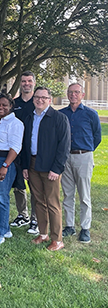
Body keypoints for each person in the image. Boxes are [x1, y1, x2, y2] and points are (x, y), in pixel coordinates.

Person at [22, 87, 70, 251]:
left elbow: (64, 147)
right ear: (33, 98)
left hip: (51, 167)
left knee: (52, 202)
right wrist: (25, 166)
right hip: (33, 165)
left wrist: (56, 169)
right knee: (38, 201)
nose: (40, 100)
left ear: (50, 99)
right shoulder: (30, 118)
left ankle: (57, 239)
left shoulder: (59, 118)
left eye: (44, 97)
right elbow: (25, 144)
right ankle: (43, 234)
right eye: (37, 97)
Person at [60, 83, 101, 244]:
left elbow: (97, 136)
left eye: (77, 92)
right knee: (67, 194)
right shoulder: (62, 114)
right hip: (66, 157)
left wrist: (86, 150)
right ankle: (69, 225)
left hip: (84, 156)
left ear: (82, 95)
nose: (73, 95)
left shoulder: (91, 114)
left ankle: (85, 228)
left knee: (84, 194)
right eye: (70, 92)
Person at [0, 93, 24, 244]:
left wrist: (5, 166)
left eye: (4, 105)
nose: (1, 107)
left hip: (4, 161)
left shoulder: (15, 123)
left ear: (11, 106)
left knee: (1, 196)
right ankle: (3, 228)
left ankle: (0, 234)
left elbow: (15, 147)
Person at [11, 71, 38, 233]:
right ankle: (23, 215)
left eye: (29, 81)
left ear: (33, 83)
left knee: (35, 187)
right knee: (18, 185)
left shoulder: (38, 102)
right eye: (23, 81)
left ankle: (35, 219)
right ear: (20, 83)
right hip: (17, 151)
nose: (26, 83)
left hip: (34, 151)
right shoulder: (15, 103)